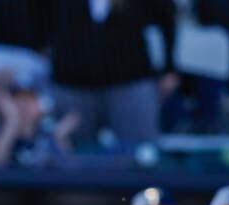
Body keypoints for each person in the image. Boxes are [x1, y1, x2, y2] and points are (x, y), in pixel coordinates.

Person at [47, 0, 177, 149]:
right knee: (68, 154)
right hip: (71, 85)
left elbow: (166, 17)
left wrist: (169, 69)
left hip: (130, 80)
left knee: (141, 153)